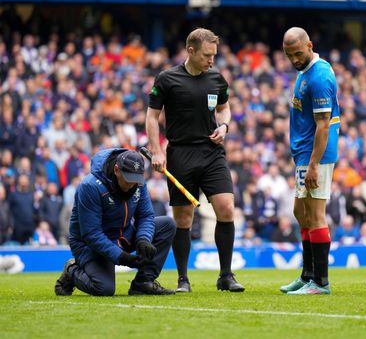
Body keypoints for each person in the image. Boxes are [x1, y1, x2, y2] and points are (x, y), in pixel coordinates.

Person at [146, 28, 244, 293]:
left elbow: (224, 108)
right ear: (191, 51)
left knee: (226, 207)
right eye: (207, 55)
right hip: (180, 153)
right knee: (184, 218)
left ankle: (226, 276)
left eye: (214, 55)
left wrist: (224, 127)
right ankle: (182, 279)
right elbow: (152, 117)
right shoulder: (167, 79)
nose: (212, 60)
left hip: (212, 153)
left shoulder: (216, 79)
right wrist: (157, 150)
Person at [54, 148, 176, 296]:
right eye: (128, 179)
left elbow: (145, 215)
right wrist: (122, 257)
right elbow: (91, 234)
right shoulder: (90, 186)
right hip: (88, 244)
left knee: (167, 225)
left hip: (123, 234)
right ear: (117, 170)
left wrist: (143, 239)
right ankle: (71, 270)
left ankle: (143, 283)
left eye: (136, 180)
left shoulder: (138, 183)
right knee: (104, 289)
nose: (132, 185)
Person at [279, 27, 340, 295]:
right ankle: (307, 275)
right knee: (300, 212)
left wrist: (314, 164)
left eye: (298, 53)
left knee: (315, 215)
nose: (294, 59)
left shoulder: (320, 76)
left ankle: (321, 282)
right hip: (304, 154)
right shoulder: (304, 72)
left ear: (310, 45)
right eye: (289, 54)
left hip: (317, 156)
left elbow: (323, 126)